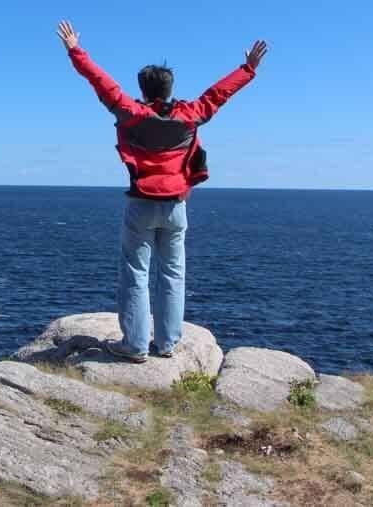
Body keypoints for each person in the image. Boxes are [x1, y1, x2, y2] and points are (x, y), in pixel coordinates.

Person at [56, 20, 268, 363]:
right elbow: (219, 94)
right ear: (170, 89)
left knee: (135, 274)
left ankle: (135, 346)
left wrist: (75, 49)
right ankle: (167, 343)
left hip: (141, 205)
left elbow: (101, 83)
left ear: (142, 88)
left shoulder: (131, 113)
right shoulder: (190, 115)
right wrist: (248, 68)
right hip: (175, 206)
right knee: (173, 273)